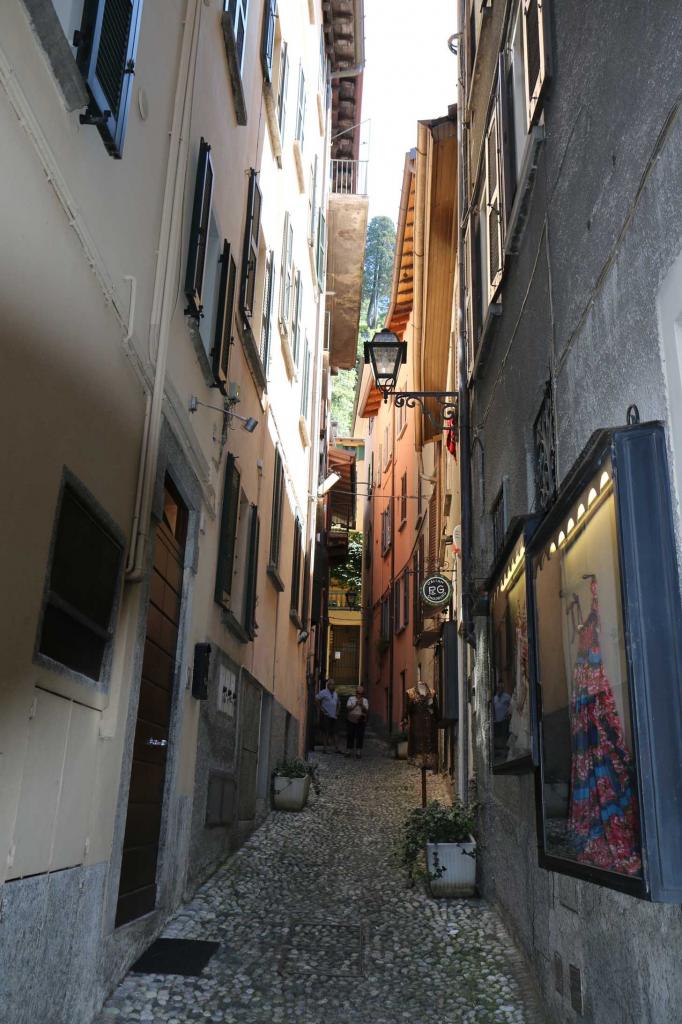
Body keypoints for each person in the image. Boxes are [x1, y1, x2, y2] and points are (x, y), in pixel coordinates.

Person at [314, 678, 341, 752]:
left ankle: (337, 748)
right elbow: (316, 699)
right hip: (326, 715)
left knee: (335, 732)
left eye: (334, 684)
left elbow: (338, 703)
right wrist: (321, 708)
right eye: (331, 684)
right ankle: (325, 748)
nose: (333, 686)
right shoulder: (323, 692)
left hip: (334, 716)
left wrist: (337, 711)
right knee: (326, 732)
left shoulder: (335, 694)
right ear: (328, 685)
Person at [345, 686, 369, 758]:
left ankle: (358, 752)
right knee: (350, 735)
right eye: (358, 693)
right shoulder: (351, 698)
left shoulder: (365, 700)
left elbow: (366, 710)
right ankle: (348, 751)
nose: (359, 695)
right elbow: (348, 708)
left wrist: (361, 705)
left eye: (361, 693)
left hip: (361, 720)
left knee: (360, 736)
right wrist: (355, 704)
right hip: (351, 719)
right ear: (356, 693)